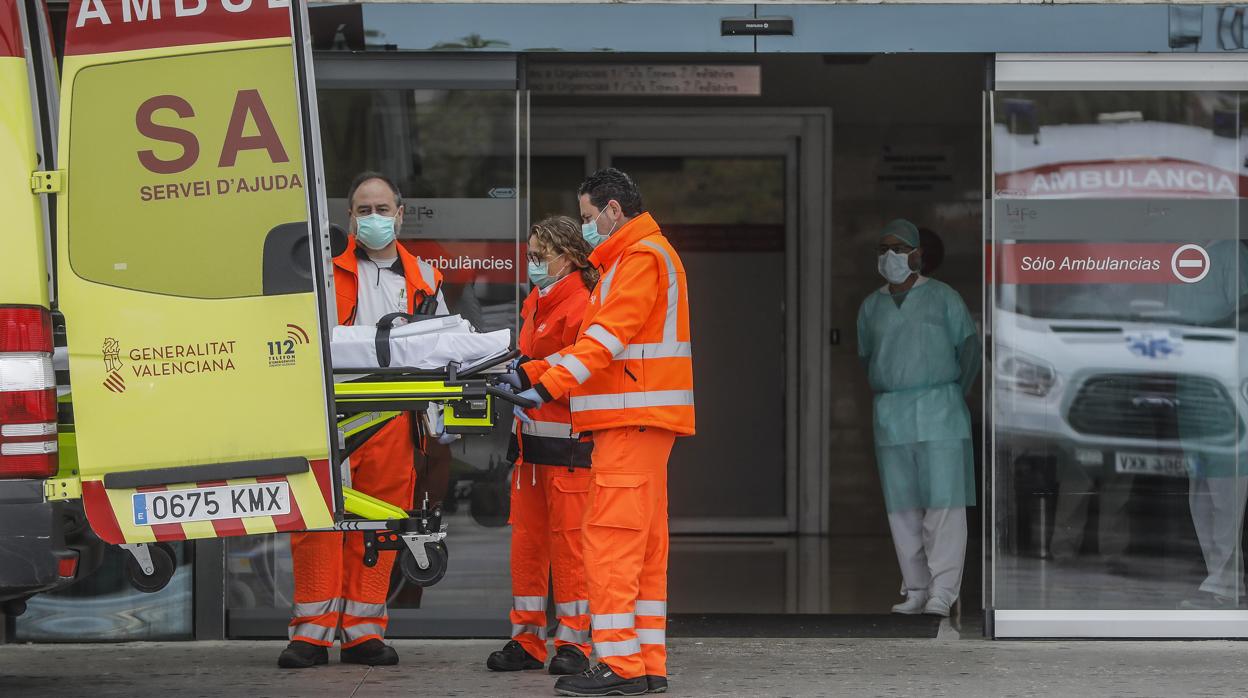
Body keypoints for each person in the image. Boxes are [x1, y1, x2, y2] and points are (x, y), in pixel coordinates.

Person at [510, 168, 694, 697]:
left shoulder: (638, 259)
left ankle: (619, 665)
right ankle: (646, 661)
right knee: (644, 548)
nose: (586, 227)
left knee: (609, 545)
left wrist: (545, 388)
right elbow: (597, 343)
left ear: (614, 211)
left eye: (589, 217)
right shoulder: (636, 260)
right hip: (639, 424)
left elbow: (603, 343)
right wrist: (532, 373)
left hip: (628, 423)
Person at [279, 172, 447, 668]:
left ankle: (362, 631)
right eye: (362, 210)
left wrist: (437, 423)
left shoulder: (425, 278)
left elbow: (440, 347)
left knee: (381, 520)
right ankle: (310, 634)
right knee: (317, 519)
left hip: (393, 415)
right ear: (350, 217)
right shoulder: (323, 273)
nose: (373, 218)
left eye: (382, 209)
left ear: (400, 213)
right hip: (331, 412)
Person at [486, 216, 598, 676]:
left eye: (539, 256)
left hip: (570, 450)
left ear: (567, 257)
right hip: (531, 447)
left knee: (571, 548)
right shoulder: (539, 298)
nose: (531, 263)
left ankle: (574, 643)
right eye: (529, 255)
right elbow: (533, 357)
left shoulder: (584, 302)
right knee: (527, 547)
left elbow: (578, 362)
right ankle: (527, 639)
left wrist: (528, 374)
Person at [857, 219, 979, 617]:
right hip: (892, 415)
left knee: (944, 506)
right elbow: (867, 358)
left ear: (917, 254)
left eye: (898, 247)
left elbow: (970, 353)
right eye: (882, 248)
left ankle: (943, 591)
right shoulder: (870, 307)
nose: (889, 256)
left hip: (940, 412)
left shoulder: (944, 298)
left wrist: (949, 395)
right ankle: (916, 588)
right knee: (902, 507)